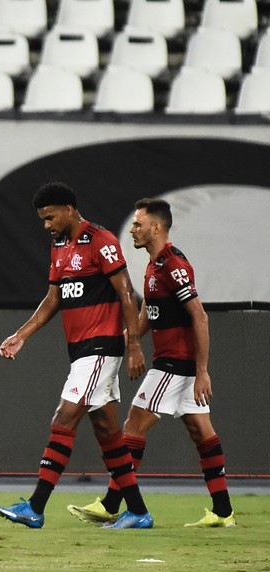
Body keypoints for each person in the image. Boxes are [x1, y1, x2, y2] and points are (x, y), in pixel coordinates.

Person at [67, 198, 236, 528]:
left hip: (174, 365)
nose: (132, 229)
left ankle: (115, 504)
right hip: (175, 365)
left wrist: (202, 371)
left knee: (132, 427)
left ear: (156, 227)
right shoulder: (154, 265)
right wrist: (128, 341)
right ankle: (224, 511)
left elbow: (199, 317)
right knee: (202, 432)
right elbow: (149, 315)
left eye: (138, 224)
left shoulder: (174, 265)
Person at [0, 182, 153, 529]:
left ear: (69, 209)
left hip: (100, 348)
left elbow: (126, 290)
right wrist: (22, 335)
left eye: (50, 217)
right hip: (80, 351)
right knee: (108, 432)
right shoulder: (59, 245)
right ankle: (138, 511)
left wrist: (134, 344)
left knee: (63, 420)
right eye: (42, 219)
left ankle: (35, 506)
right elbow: (53, 300)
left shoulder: (101, 241)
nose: (46, 224)